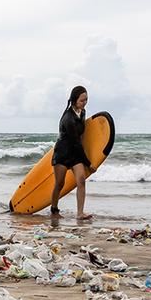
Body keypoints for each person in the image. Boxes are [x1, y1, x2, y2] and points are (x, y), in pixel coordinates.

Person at [49, 86, 95, 219]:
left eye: (86, 100)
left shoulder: (83, 112)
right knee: (60, 183)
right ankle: (54, 210)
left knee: (81, 180)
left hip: (75, 153)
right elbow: (76, 142)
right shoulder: (68, 119)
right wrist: (88, 163)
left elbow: (81, 138)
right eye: (82, 100)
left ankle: (80, 213)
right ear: (74, 100)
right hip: (63, 153)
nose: (85, 102)